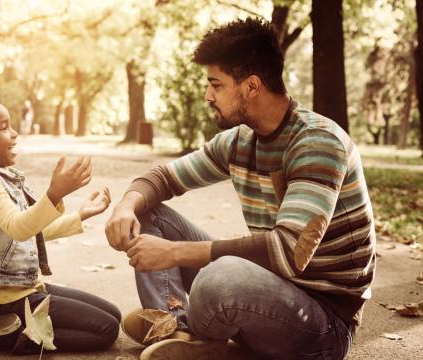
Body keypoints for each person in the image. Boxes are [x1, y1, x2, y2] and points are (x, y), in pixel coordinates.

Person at [105, 18, 375, 360]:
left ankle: (200, 334)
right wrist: (126, 207)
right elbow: (164, 178)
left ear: (251, 86)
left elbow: (288, 251)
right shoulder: (239, 141)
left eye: (216, 85)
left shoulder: (317, 142)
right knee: (148, 211)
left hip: (324, 324)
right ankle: (175, 329)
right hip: (268, 291)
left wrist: (173, 252)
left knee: (222, 278)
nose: (208, 95)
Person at [0, 90, 120, 354]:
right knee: (106, 330)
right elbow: (19, 228)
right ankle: (9, 336)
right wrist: (54, 193)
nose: (14, 134)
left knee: (111, 314)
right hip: (7, 302)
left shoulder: (2, 177)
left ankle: (16, 329)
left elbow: (32, 229)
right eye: (3, 128)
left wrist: (81, 215)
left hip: (27, 290)